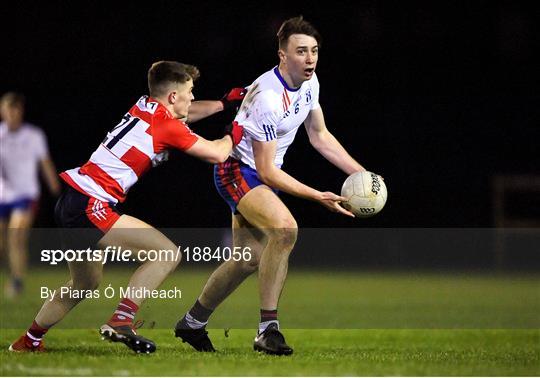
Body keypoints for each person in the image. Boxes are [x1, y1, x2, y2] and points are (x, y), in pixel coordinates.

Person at [8, 61, 245, 353]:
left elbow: (186, 113)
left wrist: (223, 104)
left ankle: (28, 341)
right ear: (173, 96)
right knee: (166, 253)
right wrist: (239, 127)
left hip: (72, 200)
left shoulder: (145, 105)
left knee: (84, 283)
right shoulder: (166, 125)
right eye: (190, 91)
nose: (193, 98)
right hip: (91, 204)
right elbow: (217, 154)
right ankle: (121, 320)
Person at [175, 16, 370, 356]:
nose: (310, 59)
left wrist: (361, 174)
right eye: (300, 52)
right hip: (237, 171)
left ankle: (192, 323)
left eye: (314, 51)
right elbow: (265, 171)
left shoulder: (311, 84)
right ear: (282, 55)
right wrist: (316, 195)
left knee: (246, 259)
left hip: (262, 174)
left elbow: (319, 135)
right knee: (285, 229)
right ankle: (268, 330)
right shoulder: (267, 96)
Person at [0, 92, 61, 298]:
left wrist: (55, 187)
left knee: (15, 236)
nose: (11, 114)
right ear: (2, 111)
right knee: (4, 242)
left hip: (26, 194)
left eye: (15, 109)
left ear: (21, 111)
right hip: (3, 196)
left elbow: (45, 162)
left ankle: (17, 281)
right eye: (8, 109)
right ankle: (12, 275)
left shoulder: (33, 135)